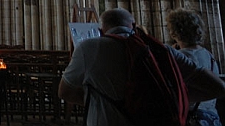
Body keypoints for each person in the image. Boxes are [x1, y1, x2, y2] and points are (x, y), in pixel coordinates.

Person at [58, 7, 225, 126]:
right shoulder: (160, 50)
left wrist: (95, 102)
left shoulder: (89, 48)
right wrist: (168, 97)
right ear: (134, 25)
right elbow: (217, 87)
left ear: (102, 29)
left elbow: (65, 92)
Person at [167, 8, 222, 126]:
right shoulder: (208, 54)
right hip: (212, 117)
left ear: (174, 32)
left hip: (192, 118)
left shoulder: (182, 57)